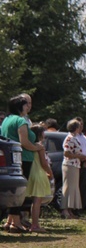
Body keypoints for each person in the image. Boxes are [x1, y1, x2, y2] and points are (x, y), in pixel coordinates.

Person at [1, 95, 43, 233]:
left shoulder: (6, 120)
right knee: (20, 193)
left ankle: (9, 221)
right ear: (20, 106)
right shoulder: (20, 121)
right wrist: (38, 147)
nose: (28, 106)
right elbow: (24, 142)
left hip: (9, 159)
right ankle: (16, 223)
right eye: (26, 104)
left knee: (13, 191)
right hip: (23, 157)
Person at [25, 124, 54, 233]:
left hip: (32, 173)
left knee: (34, 201)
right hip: (40, 174)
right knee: (38, 201)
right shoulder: (39, 147)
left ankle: (33, 223)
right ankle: (35, 225)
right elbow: (44, 163)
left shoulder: (30, 146)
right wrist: (50, 173)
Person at [60, 119, 86, 219]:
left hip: (75, 165)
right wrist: (78, 156)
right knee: (68, 187)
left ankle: (70, 209)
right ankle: (64, 210)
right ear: (76, 128)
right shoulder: (69, 138)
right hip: (70, 165)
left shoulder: (74, 138)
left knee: (73, 188)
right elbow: (66, 152)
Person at [74, 117, 86, 213]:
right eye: (79, 125)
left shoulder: (85, 138)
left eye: (82, 125)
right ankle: (74, 207)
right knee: (75, 185)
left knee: (82, 185)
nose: (81, 127)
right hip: (76, 162)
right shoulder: (73, 137)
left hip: (84, 163)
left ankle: (81, 207)